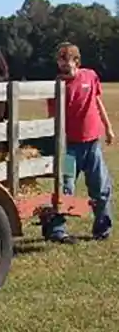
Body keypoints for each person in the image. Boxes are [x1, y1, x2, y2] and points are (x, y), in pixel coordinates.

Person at [42, 42, 115, 244]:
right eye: (60, 60)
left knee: (100, 187)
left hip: (92, 143)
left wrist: (108, 128)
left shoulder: (90, 76)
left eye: (68, 60)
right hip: (68, 148)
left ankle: (102, 228)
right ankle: (57, 230)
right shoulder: (57, 86)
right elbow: (52, 116)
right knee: (65, 187)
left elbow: (98, 102)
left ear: (77, 61)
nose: (64, 65)